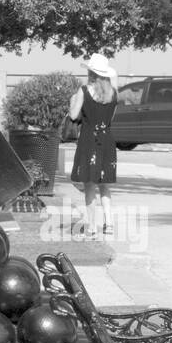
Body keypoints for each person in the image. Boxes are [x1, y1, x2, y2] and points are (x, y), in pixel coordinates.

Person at [68, 52, 118, 238]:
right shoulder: (113, 93)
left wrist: (72, 101)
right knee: (104, 184)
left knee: (89, 184)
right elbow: (110, 119)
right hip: (107, 140)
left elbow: (73, 116)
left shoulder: (84, 91)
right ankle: (109, 223)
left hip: (89, 140)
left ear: (91, 73)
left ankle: (92, 226)